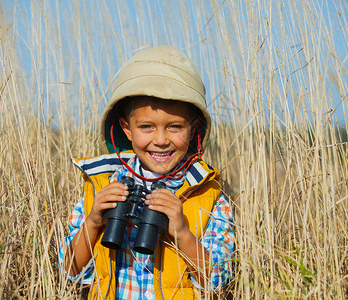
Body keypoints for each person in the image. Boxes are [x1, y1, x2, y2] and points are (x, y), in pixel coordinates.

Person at [58, 45, 235, 299]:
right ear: (126, 129)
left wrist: (182, 232)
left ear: (194, 129)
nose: (161, 140)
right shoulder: (101, 187)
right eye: (146, 127)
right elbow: (69, 271)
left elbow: (217, 280)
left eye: (175, 127)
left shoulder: (207, 196)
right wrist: (95, 221)